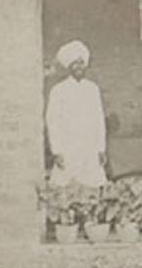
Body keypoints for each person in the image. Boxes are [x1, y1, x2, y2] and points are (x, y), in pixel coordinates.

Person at [43, 40, 108, 186]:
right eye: (75, 63)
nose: (79, 67)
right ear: (69, 66)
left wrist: (101, 148)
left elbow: (99, 120)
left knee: (93, 185)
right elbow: (52, 122)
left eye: (82, 63)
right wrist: (57, 151)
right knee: (67, 185)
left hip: (89, 146)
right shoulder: (59, 90)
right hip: (68, 146)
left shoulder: (92, 89)